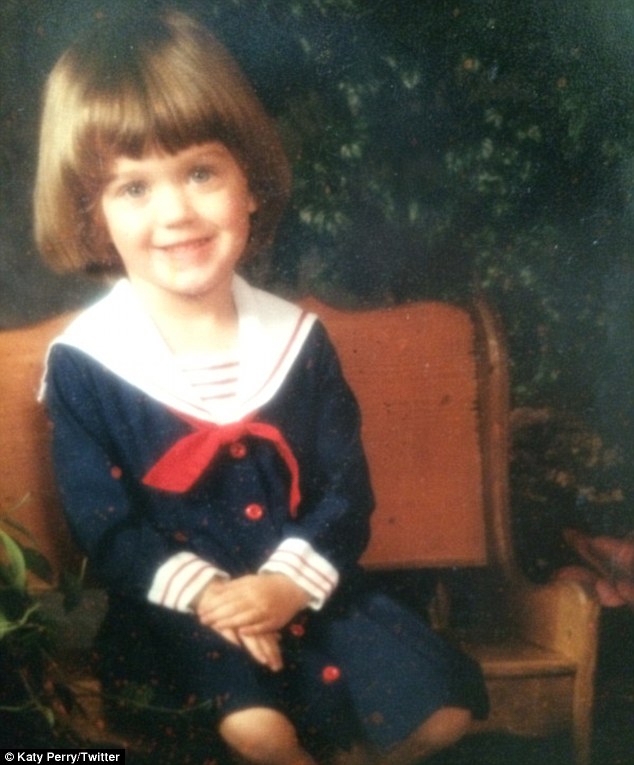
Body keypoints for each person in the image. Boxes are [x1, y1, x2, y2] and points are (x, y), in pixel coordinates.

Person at [34, 9, 488, 764]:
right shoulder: (88, 362)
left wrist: (284, 587)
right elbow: (104, 525)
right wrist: (214, 598)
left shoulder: (299, 342)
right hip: (180, 614)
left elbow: (346, 493)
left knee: (440, 712)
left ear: (249, 182)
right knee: (260, 735)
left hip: (311, 597)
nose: (177, 212)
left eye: (201, 173)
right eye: (133, 187)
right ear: (92, 216)